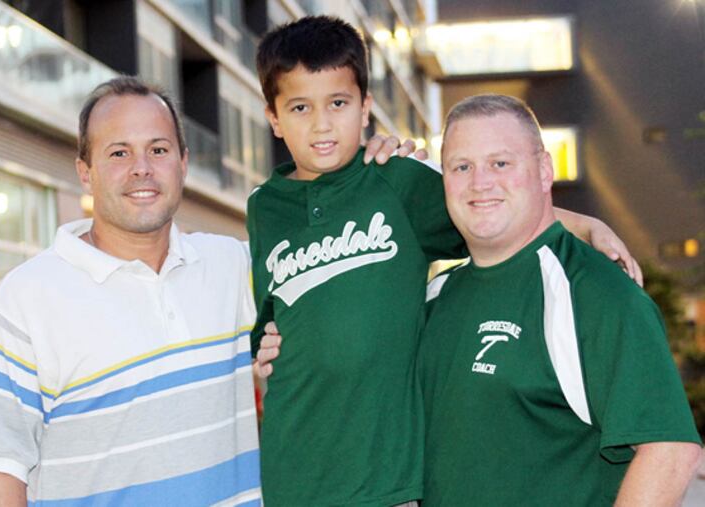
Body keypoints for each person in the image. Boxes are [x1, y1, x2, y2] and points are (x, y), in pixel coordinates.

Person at [0, 74, 433, 506]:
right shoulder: (28, 297)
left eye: (159, 150)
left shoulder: (234, 266)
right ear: (85, 171)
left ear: (183, 164)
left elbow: (340, 293)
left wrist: (380, 170)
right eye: (119, 152)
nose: (142, 169)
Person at [248, 16, 639, 507]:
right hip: (292, 473)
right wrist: (264, 346)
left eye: (339, 103)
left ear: (366, 108)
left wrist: (585, 224)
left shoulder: (396, 181)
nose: (322, 123)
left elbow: (490, 204)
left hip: (385, 479)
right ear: (273, 117)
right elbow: (272, 319)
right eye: (300, 107)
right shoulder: (264, 207)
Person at [418, 94, 702, 506]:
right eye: (462, 167)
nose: (480, 182)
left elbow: (670, 452)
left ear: (545, 170)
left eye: (500, 163)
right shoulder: (436, 296)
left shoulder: (597, 292)